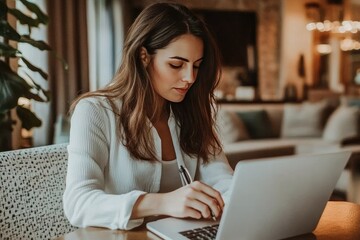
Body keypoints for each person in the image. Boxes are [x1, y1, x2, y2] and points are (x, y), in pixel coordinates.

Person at [63, 2, 233, 230]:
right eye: (176, 65)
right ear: (143, 57)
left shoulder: (192, 110)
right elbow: (78, 204)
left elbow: (223, 180)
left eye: (196, 66)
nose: (190, 78)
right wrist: (163, 202)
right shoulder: (94, 111)